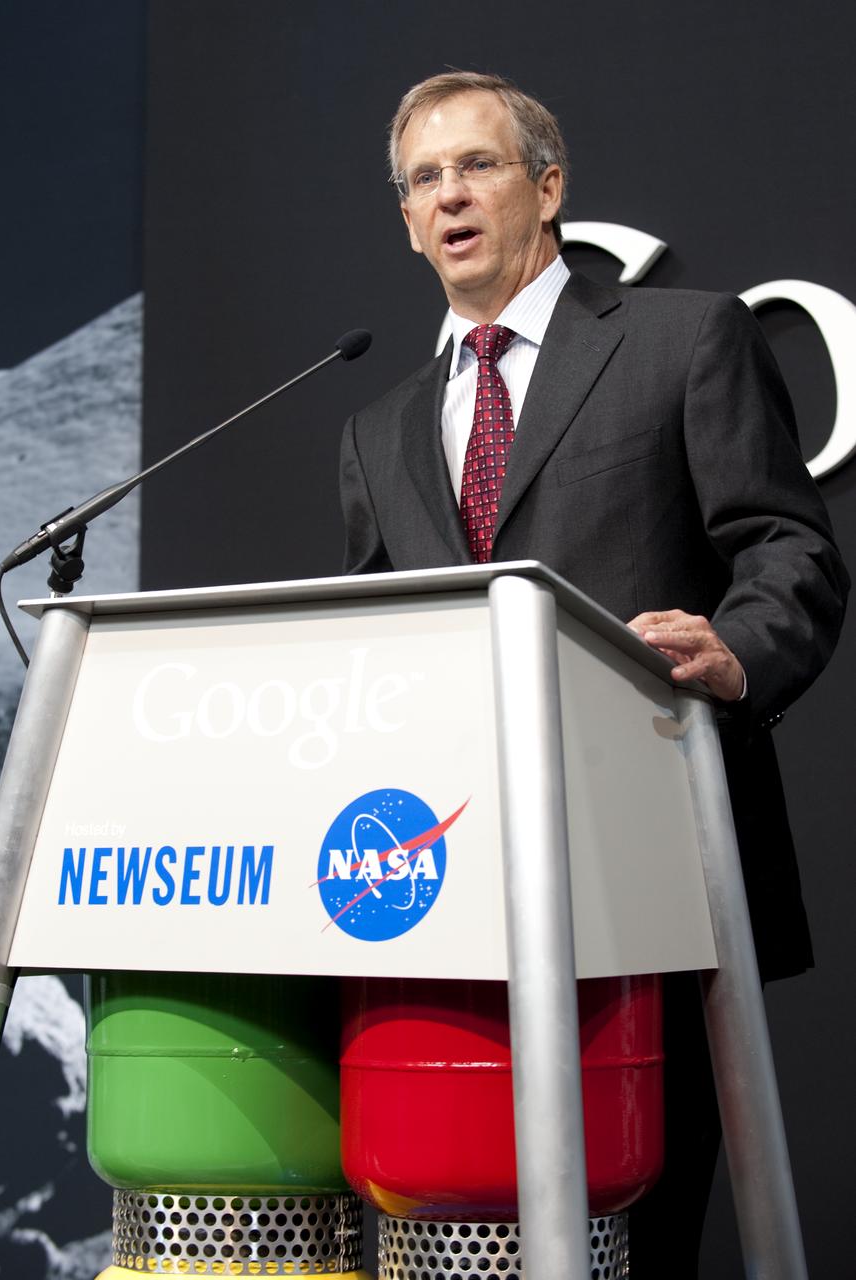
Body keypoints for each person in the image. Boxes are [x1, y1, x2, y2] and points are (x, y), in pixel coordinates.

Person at [339, 70, 848, 1276]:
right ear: (407, 221)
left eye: (478, 165)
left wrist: (738, 652)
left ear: (549, 186)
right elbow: (377, 635)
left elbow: (789, 545)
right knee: (459, 1229)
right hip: (448, 895)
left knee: (639, 1234)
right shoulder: (377, 429)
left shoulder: (684, 337)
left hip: (650, 876)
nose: (449, 194)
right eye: (423, 180)